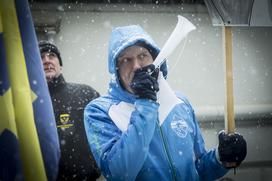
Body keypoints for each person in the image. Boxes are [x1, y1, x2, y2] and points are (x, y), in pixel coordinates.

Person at [84, 25, 247, 180]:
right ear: (116, 70)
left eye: (142, 56)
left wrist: (221, 158)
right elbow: (120, 173)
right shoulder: (99, 111)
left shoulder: (179, 102)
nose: (136, 66)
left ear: (156, 60)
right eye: (126, 60)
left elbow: (198, 170)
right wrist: (146, 104)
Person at [39, 41, 101, 181]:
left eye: (52, 55)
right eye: (41, 57)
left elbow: (107, 132)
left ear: (60, 64)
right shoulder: (30, 103)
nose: (47, 60)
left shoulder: (86, 93)